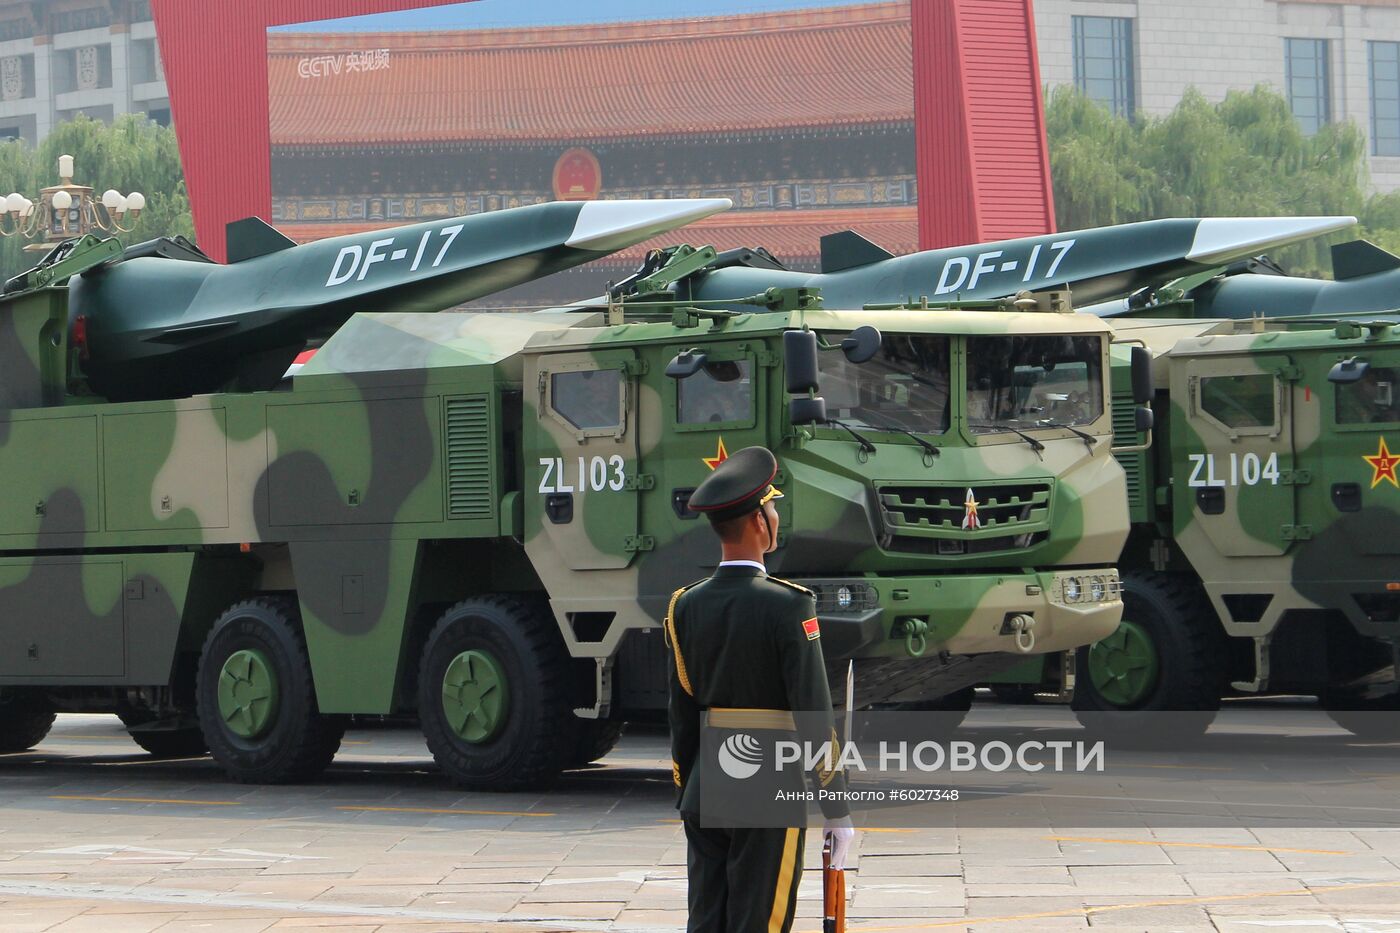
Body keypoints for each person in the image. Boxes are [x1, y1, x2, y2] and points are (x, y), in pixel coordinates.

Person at [665, 445, 856, 933]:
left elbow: (682, 712)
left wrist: (690, 789)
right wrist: (835, 807)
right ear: (757, 521)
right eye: (772, 509)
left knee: (706, 922)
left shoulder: (685, 605)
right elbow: (813, 713)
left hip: (706, 784)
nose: (776, 518)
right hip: (768, 785)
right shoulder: (788, 605)